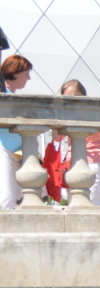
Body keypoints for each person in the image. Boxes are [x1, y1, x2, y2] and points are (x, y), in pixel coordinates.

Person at [44, 80, 100, 206]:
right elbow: (57, 138)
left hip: (92, 162)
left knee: (92, 204)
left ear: (83, 95)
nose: (71, 100)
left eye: (74, 96)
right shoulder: (68, 115)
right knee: (73, 205)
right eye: (66, 97)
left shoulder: (95, 112)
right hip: (71, 164)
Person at [0, 54, 32, 209]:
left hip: (16, 152)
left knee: (16, 197)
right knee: (7, 197)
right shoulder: (3, 93)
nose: (29, 78)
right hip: (4, 149)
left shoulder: (10, 95)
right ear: (14, 71)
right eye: (26, 74)